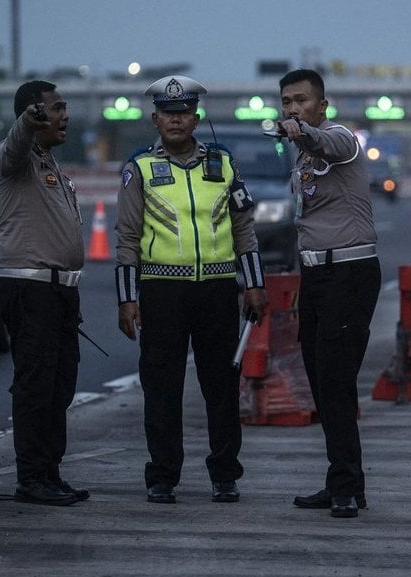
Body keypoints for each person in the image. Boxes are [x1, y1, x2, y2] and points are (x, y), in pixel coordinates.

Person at [114, 75, 268, 505]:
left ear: (196, 118)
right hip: (161, 292)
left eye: (183, 113)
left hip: (218, 290)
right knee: (162, 387)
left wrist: (253, 285)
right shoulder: (139, 168)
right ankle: (162, 476)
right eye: (168, 113)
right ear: (155, 118)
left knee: (221, 385)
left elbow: (244, 230)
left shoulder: (224, 164)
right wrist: (127, 298)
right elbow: (126, 237)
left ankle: (225, 475)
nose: (176, 120)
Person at [274, 69, 381, 518]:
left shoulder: (339, 140)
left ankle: (344, 488)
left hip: (349, 273)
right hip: (316, 278)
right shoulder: (300, 159)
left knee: (335, 381)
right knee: (323, 382)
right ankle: (346, 481)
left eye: (301, 100)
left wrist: (306, 134)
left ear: (323, 105)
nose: (293, 108)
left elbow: (331, 145)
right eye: (286, 102)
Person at [0, 80, 88, 506]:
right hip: (29, 289)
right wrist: (26, 126)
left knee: (60, 386)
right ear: (34, 113)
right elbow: (13, 147)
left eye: (65, 107)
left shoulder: (50, 164)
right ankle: (31, 478)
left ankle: (50, 473)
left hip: (59, 293)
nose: (65, 115)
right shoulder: (15, 159)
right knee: (35, 386)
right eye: (56, 108)